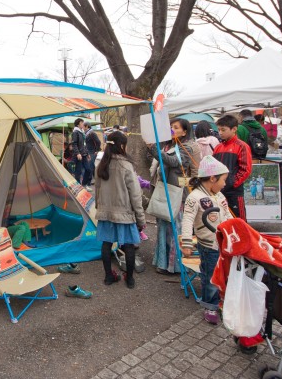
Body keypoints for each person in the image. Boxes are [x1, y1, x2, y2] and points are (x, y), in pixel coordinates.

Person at [181, 155, 233, 325]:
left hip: (224, 243)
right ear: (212, 178)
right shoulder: (194, 197)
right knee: (210, 276)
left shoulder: (219, 196)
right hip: (208, 245)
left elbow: (226, 215)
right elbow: (187, 220)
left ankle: (221, 299)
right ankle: (210, 305)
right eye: (223, 180)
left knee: (224, 274)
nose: (225, 184)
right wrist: (187, 243)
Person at [150, 118, 201, 275]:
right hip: (168, 191)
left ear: (184, 131)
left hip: (179, 194)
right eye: (170, 127)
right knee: (164, 228)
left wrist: (153, 149)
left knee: (176, 229)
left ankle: (177, 265)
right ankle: (163, 263)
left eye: (176, 127)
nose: (172, 129)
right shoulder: (172, 145)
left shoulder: (187, 147)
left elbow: (173, 162)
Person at [95, 132, 145, 288]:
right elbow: (135, 196)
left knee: (106, 244)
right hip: (124, 213)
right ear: (122, 146)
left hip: (105, 212)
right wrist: (140, 218)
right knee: (129, 246)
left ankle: (108, 277)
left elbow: (96, 189)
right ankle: (129, 279)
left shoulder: (101, 164)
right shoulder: (126, 166)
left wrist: (99, 207)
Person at [212, 115, 252, 220]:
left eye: (223, 130)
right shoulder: (218, 147)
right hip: (218, 191)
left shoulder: (242, 146)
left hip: (234, 192)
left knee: (239, 221)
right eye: (219, 129)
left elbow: (245, 170)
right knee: (221, 220)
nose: (220, 132)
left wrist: (232, 183)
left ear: (234, 129)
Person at [70, 118, 88, 186]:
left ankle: (84, 184)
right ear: (78, 124)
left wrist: (87, 153)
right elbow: (74, 144)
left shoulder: (82, 132)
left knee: (88, 169)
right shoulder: (75, 132)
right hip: (79, 154)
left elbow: (84, 144)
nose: (83, 124)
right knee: (79, 171)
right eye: (82, 123)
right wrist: (78, 153)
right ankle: (78, 185)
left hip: (84, 154)